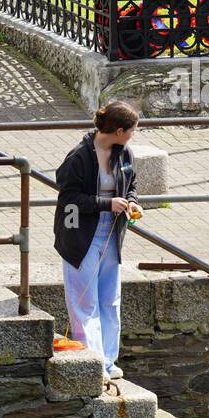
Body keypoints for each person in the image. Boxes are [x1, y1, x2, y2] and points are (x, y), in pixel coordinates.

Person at [53, 101, 143, 383]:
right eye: (130, 131)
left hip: (112, 234)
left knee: (110, 300)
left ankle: (107, 361)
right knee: (85, 302)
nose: (132, 136)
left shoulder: (123, 152)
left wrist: (132, 202)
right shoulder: (78, 157)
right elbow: (68, 199)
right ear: (118, 130)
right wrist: (107, 204)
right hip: (81, 235)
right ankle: (91, 362)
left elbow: (132, 184)